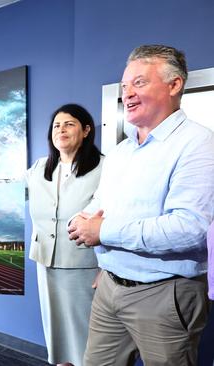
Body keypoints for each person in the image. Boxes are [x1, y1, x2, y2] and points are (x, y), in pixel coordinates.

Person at [68, 44, 214, 366]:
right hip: (109, 285)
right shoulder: (121, 150)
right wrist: (84, 218)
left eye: (139, 83)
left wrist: (102, 231)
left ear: (174, 85)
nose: (127, 94)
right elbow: (102, 201)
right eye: (124, 86)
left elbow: (190, 229)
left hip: (164, 295)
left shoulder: (199, 144)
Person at [26, 104, 102, 366]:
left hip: (85, 266)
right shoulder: (39, 168)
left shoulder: (104, 168)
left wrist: (110, 266)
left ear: (86, 130)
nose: (61, 129)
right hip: (47, 264)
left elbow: (118, 215)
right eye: (57, 125)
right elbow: (9, 189)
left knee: (87, 336)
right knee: (56, 334)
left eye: (69, 124)